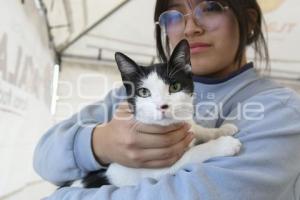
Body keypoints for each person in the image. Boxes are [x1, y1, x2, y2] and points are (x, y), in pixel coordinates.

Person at [33, 0, 300, 199]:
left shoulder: (280, 111)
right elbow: (44, 157)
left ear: (250, 20)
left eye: (211, 7)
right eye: (174, 15)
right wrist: (99, 143)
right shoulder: (128, 96)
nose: (191, 27)